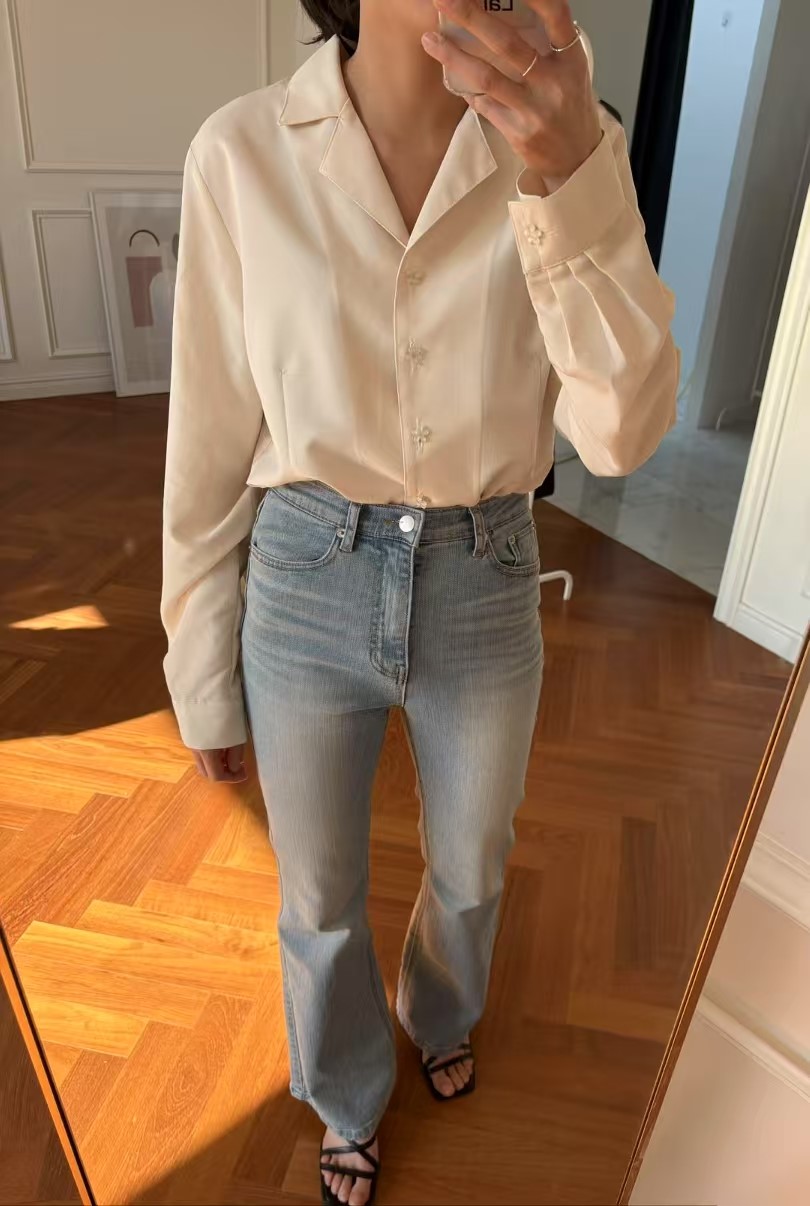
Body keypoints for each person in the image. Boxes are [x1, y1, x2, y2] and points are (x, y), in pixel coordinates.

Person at [160, 1, 680, 1202]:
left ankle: (440, 1010)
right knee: (318, 892)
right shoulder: (242, 152)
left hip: (485, 573)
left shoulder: (575, 146)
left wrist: (571, 180)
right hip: (306, 570)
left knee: (473, 862)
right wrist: (200, 667)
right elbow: (208, 435)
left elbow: (620, 436)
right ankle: (348, 1092)